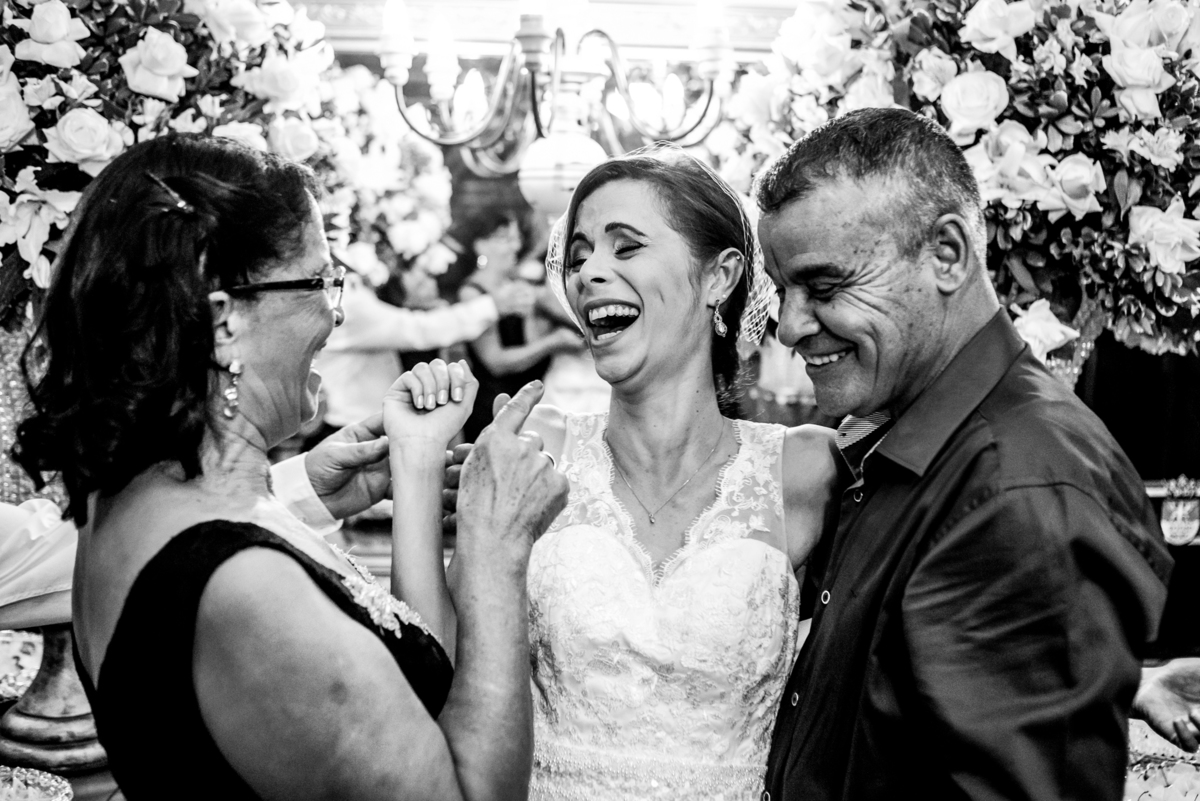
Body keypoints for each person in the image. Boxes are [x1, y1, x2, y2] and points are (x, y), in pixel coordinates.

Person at [13, 133, 567, 800]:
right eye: (319, 282)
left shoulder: (131, 501)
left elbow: (424, 700)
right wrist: (497, 544)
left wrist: (417, 466)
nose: (337, 313)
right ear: (224, 322)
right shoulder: (248, 589)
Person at [756, 108, 1172, 801]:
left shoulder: (1017, 488)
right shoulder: (923, 444)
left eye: (824, 288)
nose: (790, 327)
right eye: (782, 291)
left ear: (947, 255)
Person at [441, 145, 842, 799]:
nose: (588, 274)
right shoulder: (536, 453)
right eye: (578, 257)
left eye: (625, 247)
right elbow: (442, 667)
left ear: (720, 277)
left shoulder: (805, 469)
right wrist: (416, 463)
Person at [458, 212, 584, 441]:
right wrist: (553, 342)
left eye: (516, 238)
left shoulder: (517, 284)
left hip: (527, 399)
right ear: (480, 244)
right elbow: (495, 362)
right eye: (504, 239)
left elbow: (529, 340)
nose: (515, 246)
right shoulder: (472, 293)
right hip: (492, 404)